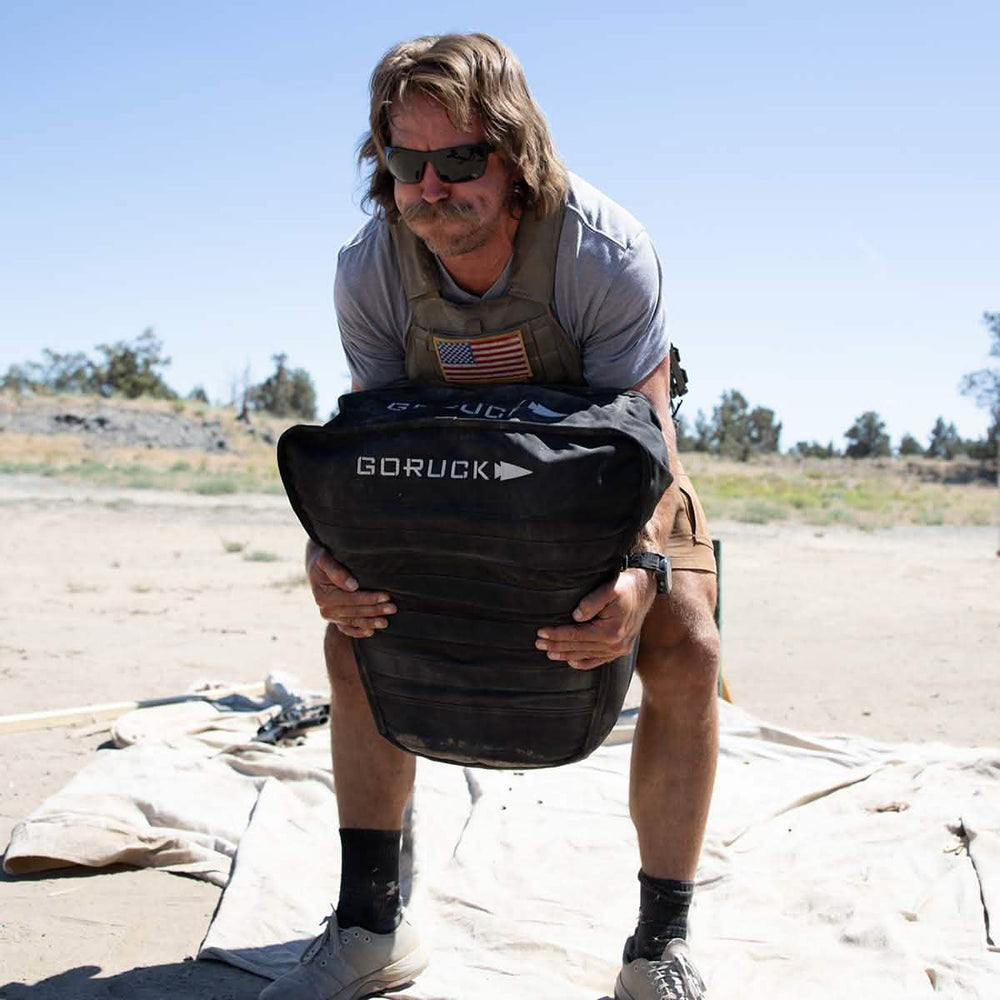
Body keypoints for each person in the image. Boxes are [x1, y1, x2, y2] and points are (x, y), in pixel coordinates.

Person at [261, 33, 719, 1000]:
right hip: (445, 468)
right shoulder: (371, 267)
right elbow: (369, 440)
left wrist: (640, 576)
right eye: (405, 164)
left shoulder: (602, 250)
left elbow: (650, 442)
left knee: (688, 644)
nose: (431, 189)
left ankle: (659, 945)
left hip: (600, 478)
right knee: (355, 633)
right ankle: (370, 925)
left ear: (515, 153)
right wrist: (329, 555)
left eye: (460, 160)